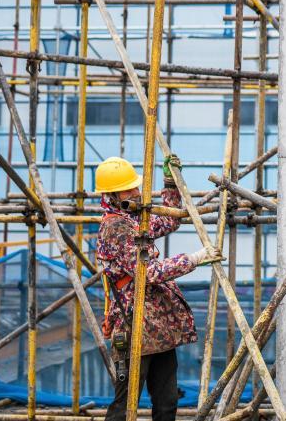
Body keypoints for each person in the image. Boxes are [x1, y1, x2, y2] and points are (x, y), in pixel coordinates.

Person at [94, 155, 221, 421]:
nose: (137, 193)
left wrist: (170, 183)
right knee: (124, 405)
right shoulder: (114, 226)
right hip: (134, 322)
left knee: (166, 401)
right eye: (130, 189)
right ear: (113, 195)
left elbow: (170, 221)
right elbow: (147, 273)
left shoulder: (132, 219)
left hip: (157, 326)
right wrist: (193, 259)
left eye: (136, 186)